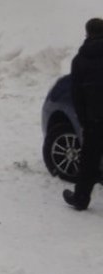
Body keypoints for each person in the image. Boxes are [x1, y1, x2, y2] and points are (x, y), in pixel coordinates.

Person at [63, 18, 103, 211]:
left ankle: (80, 199)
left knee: (89, 159)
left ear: (87, 33)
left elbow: (76, 93)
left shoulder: (80, 60)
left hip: (94, 118)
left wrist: (83, 118)